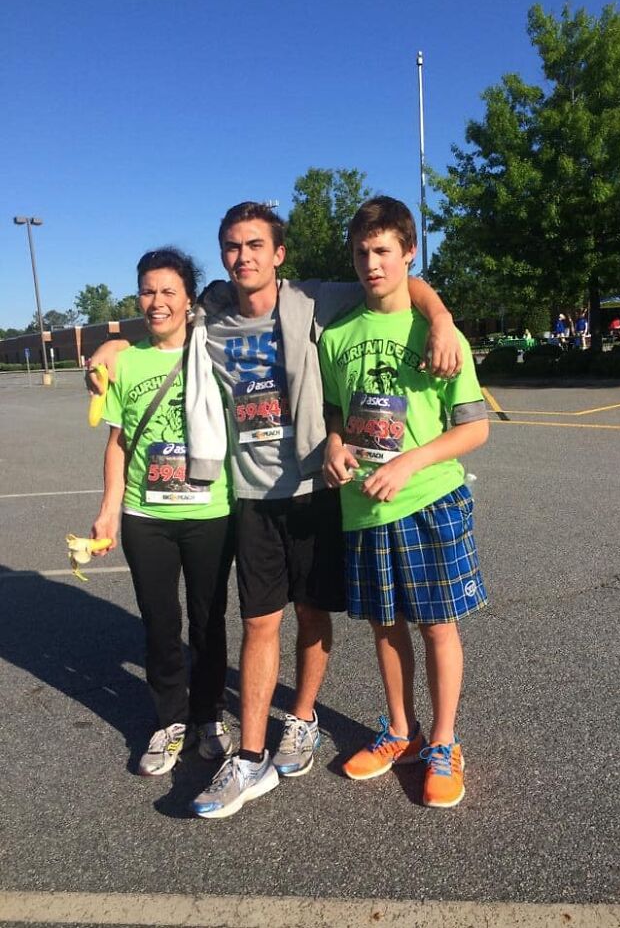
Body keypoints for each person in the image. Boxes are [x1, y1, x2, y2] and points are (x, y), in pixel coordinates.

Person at [90, 202, 462, 819]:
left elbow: (397, 279)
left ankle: (305, 717)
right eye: (233, 247)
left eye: (256, 245)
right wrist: (115, 342)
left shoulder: (313, 299)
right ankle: (252, 756)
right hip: (251, 496)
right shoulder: (212, 306)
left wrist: (443, 318)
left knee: (314, 615)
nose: (245, 257)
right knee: (261, 621)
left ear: (279, 254)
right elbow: (166, 316)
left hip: (315, 489)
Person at [318, 197, 489, 808]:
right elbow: (335, 409)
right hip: (364, 505)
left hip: (428, 498)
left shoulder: (437, 331)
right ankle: (401, 731)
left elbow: (474, 428)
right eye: (362, 252)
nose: (372, 263)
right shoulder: (336, 334)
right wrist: (335, 442)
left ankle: (444, 742)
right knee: (385, 628)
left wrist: (409, 462)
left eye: (384, 251)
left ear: (408, 253)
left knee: (438, 626)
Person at [90, 248, 236, 777]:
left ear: (188, 299)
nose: (157, 301)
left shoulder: (214, 349)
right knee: (159, 622)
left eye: (168, 291)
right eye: (148, 291)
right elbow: (117, 443)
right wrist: (108, 512)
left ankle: (209, 716)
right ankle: (170, 720)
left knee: (208, 621)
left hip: (209, 511)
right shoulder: (126, 361)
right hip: (145, 516)